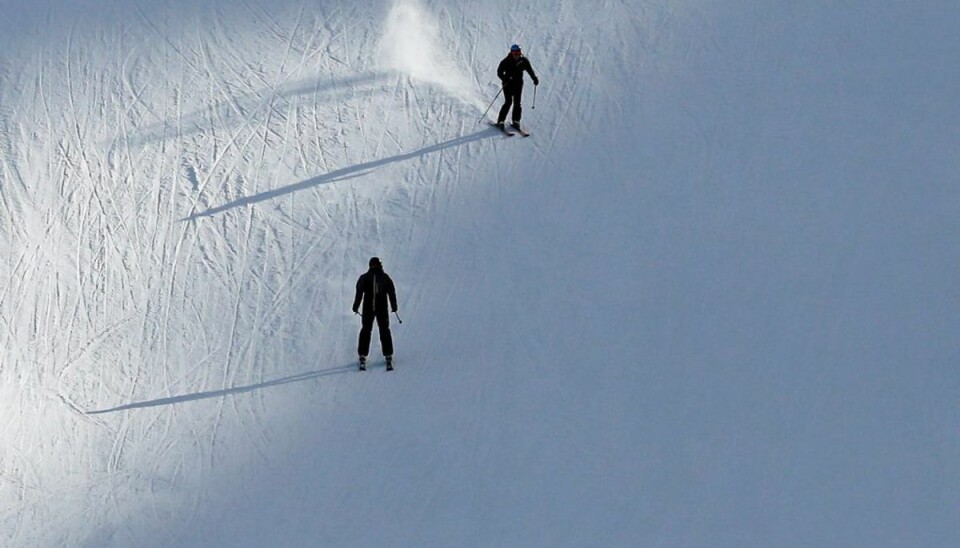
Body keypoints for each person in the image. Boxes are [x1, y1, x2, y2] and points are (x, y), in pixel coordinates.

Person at [352, 257, 398, 371]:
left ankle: (387, 354)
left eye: (376, 265)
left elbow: (391, 291)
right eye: (374, 265)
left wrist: (394, 305)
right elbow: (359, 292)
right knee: (369, 330)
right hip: (371, 308)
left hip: (379, 308)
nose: (375, 267)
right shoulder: (368, 277)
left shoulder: (382, 277)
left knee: (381, 330)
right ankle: (363, 354)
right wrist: (356, 305)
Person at [496, 44, 539, 131]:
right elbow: (499, 72)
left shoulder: (523, 61)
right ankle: (500, 121)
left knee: (517, 103)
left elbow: (529, 70)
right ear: (511, 52)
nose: (517, 54)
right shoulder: (506, 61)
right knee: (508, 102)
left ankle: (516, 121)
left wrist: (534, 78)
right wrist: (505, 78)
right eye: (515, 52)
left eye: (518, 52)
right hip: (507, 84)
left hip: (518, 84)